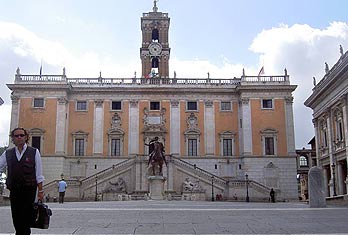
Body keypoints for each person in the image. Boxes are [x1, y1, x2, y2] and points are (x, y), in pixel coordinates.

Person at [0, 127, 44, 235]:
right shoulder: (8, 153)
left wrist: (41, 192)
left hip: (29, 190)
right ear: (13, 139)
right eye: (16, 136)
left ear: (26, 138)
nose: (19, 137)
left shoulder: (34, 152)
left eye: (21, 135)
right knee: (16, 217)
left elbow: (39, 174)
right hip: (14, 191)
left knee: (26, 218)